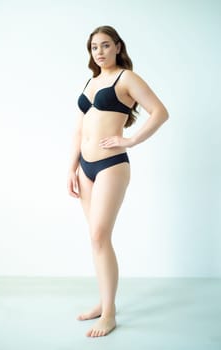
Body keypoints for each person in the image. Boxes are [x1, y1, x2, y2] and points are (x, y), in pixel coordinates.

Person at [67, 25, 169, 338]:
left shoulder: (126, 78)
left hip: (112, 164)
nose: (99, 52)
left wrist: (130, 140)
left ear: (117, 47)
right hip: (85, 168)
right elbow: (79, 129)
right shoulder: (91, 81)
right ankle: (104, 301)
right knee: (97, 240)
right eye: (94, 47)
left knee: (100, 234)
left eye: (105, 45)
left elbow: (159, 112)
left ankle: (109, 313)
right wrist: (71, 168)